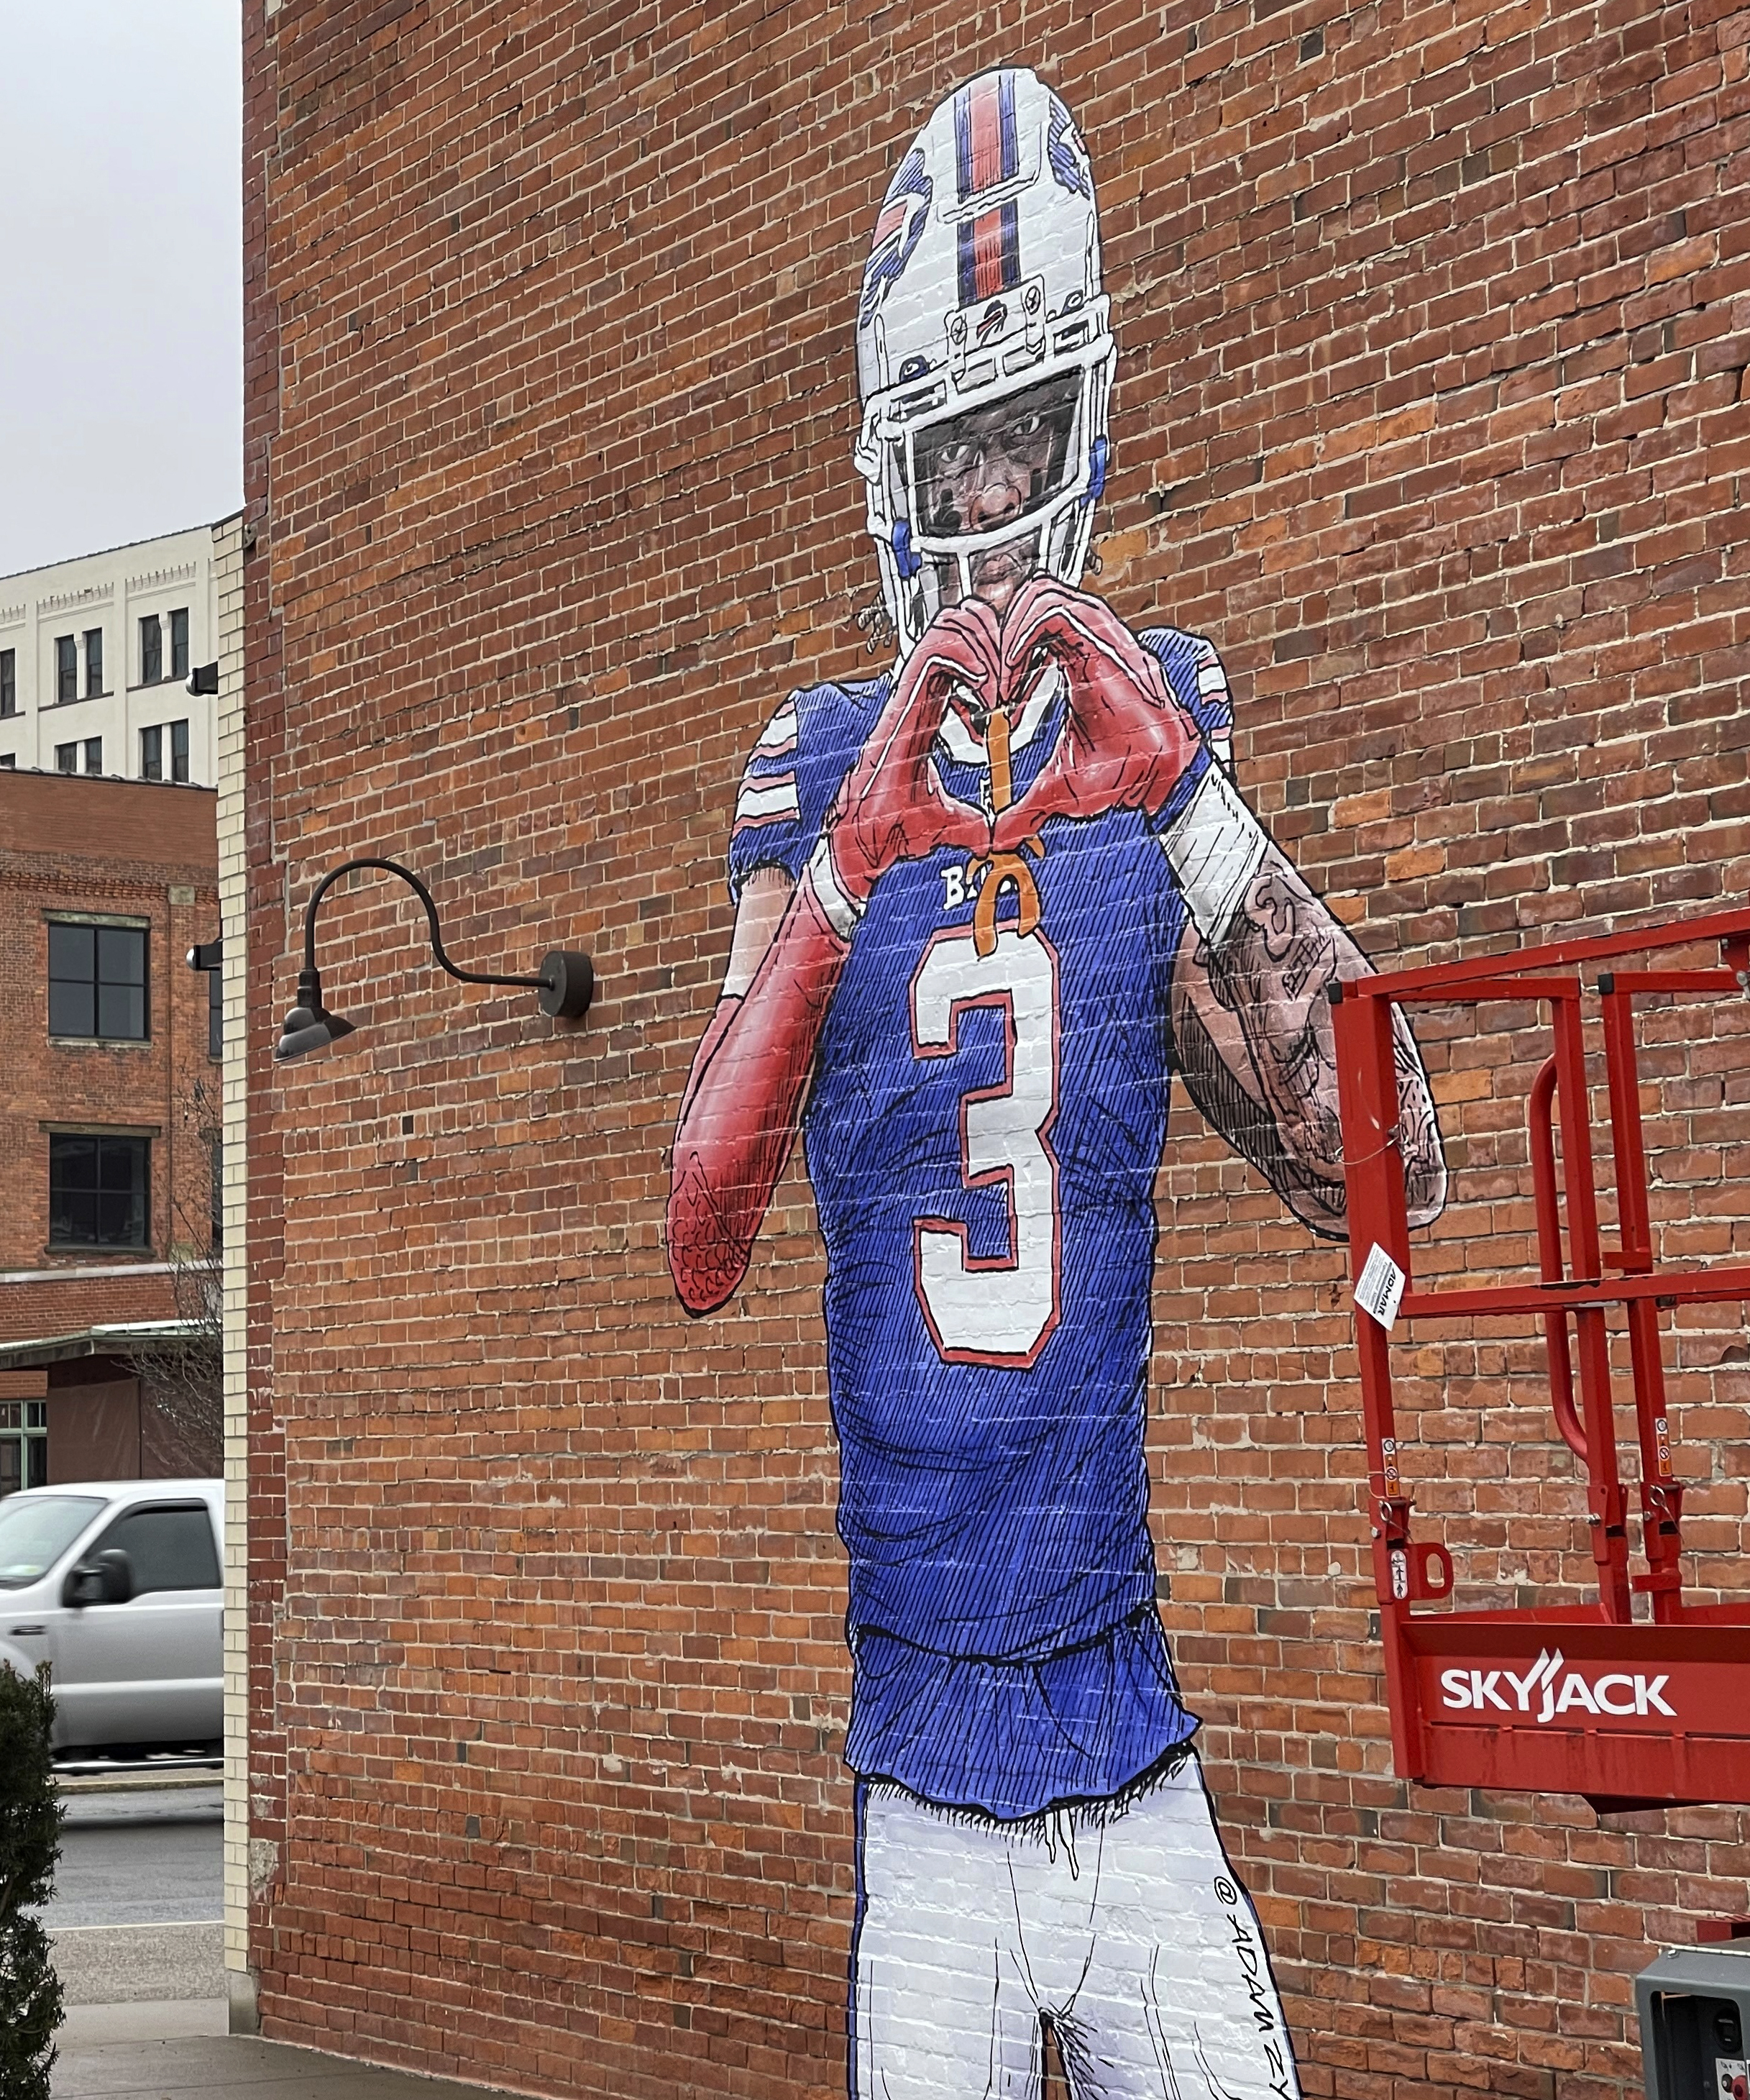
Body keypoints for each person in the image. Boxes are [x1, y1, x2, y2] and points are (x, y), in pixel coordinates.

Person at [664, 65, 1444, 2098]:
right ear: (886, 456)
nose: (995, 499)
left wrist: (1189, 809)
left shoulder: (1154, 723)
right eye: (956, 444)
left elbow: (1395, 1165)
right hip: (922, 1770)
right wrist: (846, 859)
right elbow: (701, 1223)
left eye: (1024, 438)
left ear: (1085, 425)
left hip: (1136, 1732)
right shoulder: (818, 756)